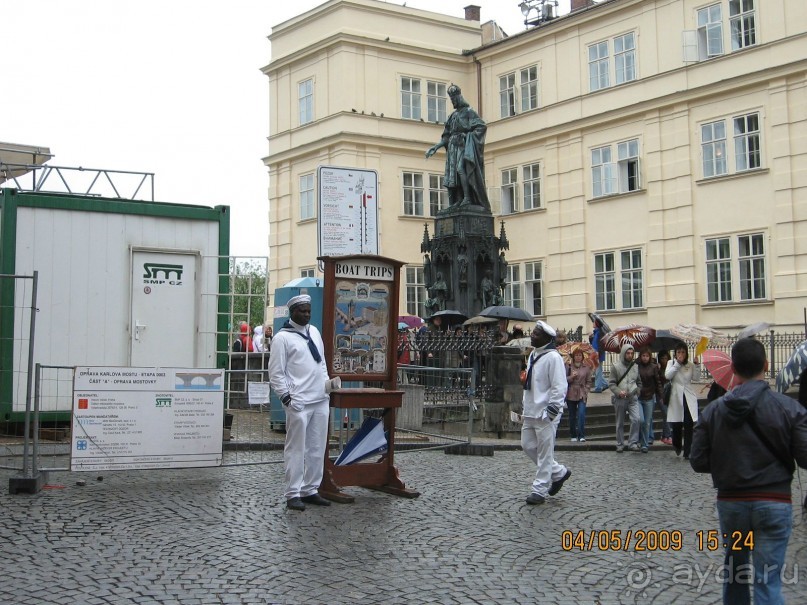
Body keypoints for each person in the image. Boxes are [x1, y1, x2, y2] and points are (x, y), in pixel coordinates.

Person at [690, 338, 807, 605]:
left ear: (732, 368)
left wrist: (727, 462)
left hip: (733, 504)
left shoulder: (714, 411)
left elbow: (698, 460)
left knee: (736, 576)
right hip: (774, 501)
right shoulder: (789, 408)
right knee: (768, 582)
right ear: (766, 365)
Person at [268, 294, 338, 511]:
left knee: (317, 447)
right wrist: (286, 398)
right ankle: (293, 492)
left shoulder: (314, 332)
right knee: (296, 449)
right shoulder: (282, 338)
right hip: (298, 402)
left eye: (309, 311)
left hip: (320, 399)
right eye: (302, 311)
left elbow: (322, 363)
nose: (307, 314)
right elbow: (276, 373)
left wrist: (326, 387)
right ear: (292, 312)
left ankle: (310, 489)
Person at [520, 320, 572, 504]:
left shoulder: (553, 358)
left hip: (545, 412)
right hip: (531, 410)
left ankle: (539, 490)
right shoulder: (534, 354)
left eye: (536, 334)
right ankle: (559, 472)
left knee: (544, 453)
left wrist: (552, 411)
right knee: (527, 445)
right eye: (533, 332)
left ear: (546, 338)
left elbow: (560, 386)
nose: (532, 336)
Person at [425, 84, 490, 211]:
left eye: (454, 99)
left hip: (463, 145)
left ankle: (468, 198)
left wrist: (468, 136)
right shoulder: (452, 116)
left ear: (459, 98)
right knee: (453, 174)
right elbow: (446, 136)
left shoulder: (469, 112)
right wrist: (436, 147)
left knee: (461, 169)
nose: (453, 101)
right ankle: (459, 199)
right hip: (452, 147)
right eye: (451, 99)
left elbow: (481, 126)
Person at [665, 344, 700, 459]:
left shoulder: (690, 365)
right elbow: (668, 376)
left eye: (683, 352)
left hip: (688, 395)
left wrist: (697, 365)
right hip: (676, 396)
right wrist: (677, 364)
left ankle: (688, 451)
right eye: (678, 352)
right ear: (675, 353)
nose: (681, 354)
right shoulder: (671, 363)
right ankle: (677, 444)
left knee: (689, 423)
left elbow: (696, 378)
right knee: (677, 423)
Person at [609, 344, 642, 453]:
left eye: (632, 353)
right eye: (628, 353)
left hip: (632, 397)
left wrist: (638, 390)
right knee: (620, 422)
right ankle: (620, 444)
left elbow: (639, 382)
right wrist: (619, 392)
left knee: (636, 419)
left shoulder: (635, 366)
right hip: (620, 398)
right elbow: (612, 383)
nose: (630, 355)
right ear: (623, 353)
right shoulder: (615, 367)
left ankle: (632, 443)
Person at [636, 347, 662, 453]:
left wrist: (661, 395)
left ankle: (644, 444)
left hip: (650, 398)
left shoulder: (654, 367)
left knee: (647, 422)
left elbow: (658, 382)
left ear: (650, 357)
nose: (645, 358)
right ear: (640, 356)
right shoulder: (636, 366)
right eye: (643, 356)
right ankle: (639, 439)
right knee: (641, 420)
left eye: (647, 356)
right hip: (638, 397)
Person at [565, 348, 592, 442]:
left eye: (580, 355)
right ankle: (573, 434)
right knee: (572, 415)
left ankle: (581, 435)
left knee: (581, 414)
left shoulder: (586, 367)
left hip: (582, 393)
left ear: (582, 357)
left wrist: (586, 390)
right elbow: (564, 379)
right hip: (571, 393)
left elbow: (589, 381)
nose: (578, 357)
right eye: (576, 355)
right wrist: (571, 377)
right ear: (573, 357)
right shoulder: (568, 366)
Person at [656, 351, 673, 445]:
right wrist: (658, 370)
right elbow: (659, 380)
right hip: (660, 393)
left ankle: (664, 436)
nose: (664, 360)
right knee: (666, 413)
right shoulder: (657, 368)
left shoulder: (671, 367)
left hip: (669, 393)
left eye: (666, 358)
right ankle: (668, 435)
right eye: (662, 358)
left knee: (668, 414)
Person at [589, 321, 608, 392]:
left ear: (597, 324)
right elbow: (593, 343)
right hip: (596, 354)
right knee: (598, 371)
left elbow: (600, 344)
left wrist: (598, 353)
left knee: (598, 371)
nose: (593, 323)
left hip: (598, 354)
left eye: (594, 322)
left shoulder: (600, 333)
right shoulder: (596, 332)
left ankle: (598, 388)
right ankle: (605, 384)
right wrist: (590, 337)